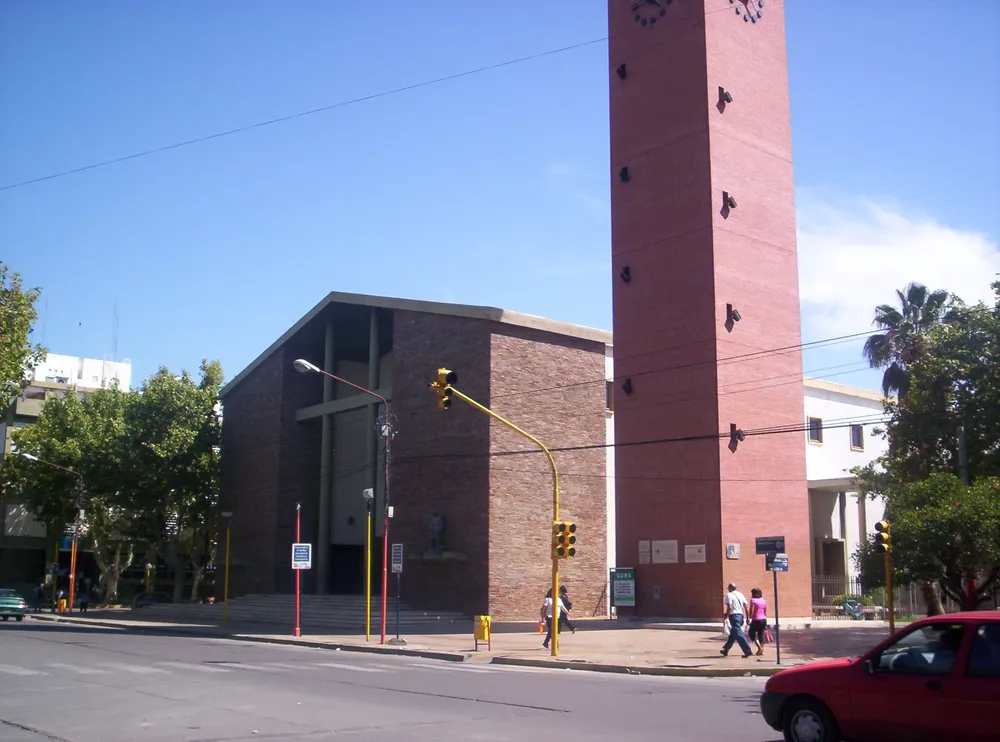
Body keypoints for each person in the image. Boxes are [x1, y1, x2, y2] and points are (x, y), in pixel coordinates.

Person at [720, 582, 753, 658]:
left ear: (730, 588)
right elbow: (745, 607)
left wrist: (726, 616)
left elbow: (729, 607)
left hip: (734, 616)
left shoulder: (729, 595)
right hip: (740, 615)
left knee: (738, 633)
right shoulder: (740, 594)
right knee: (734, 633)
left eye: (728, 588)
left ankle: (747, 651)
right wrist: (748, 618)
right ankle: (726, 649)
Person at [747, 587, 768, 656]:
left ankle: (760, 648)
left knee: (751, 633)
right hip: (763, 619)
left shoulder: (753, 600)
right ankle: (761, 650)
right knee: (761, 634)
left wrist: (749, 618)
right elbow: (765, 611)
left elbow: (752, 610)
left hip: (756, 619)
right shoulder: (763, 600)